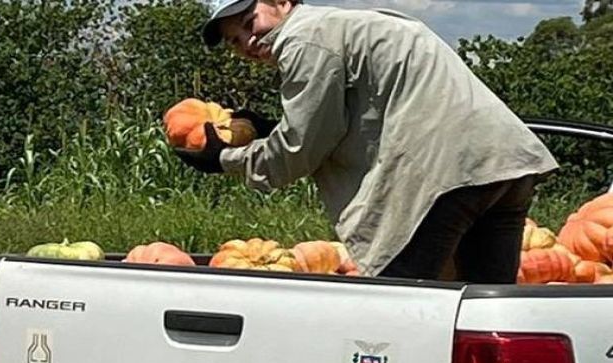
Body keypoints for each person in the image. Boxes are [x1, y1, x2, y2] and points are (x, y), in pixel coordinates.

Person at [176, 0, 560, 282]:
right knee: (480, 309)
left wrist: (225, 158)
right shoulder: (343, 26)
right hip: (505, 165)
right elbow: (350, 122)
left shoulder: (303, 39)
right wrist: (272, 127)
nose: (247, 41)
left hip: (446, 176)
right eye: (234, 40)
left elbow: (299, 151)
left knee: (401, 305)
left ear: (281, 2)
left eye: (248, 21)